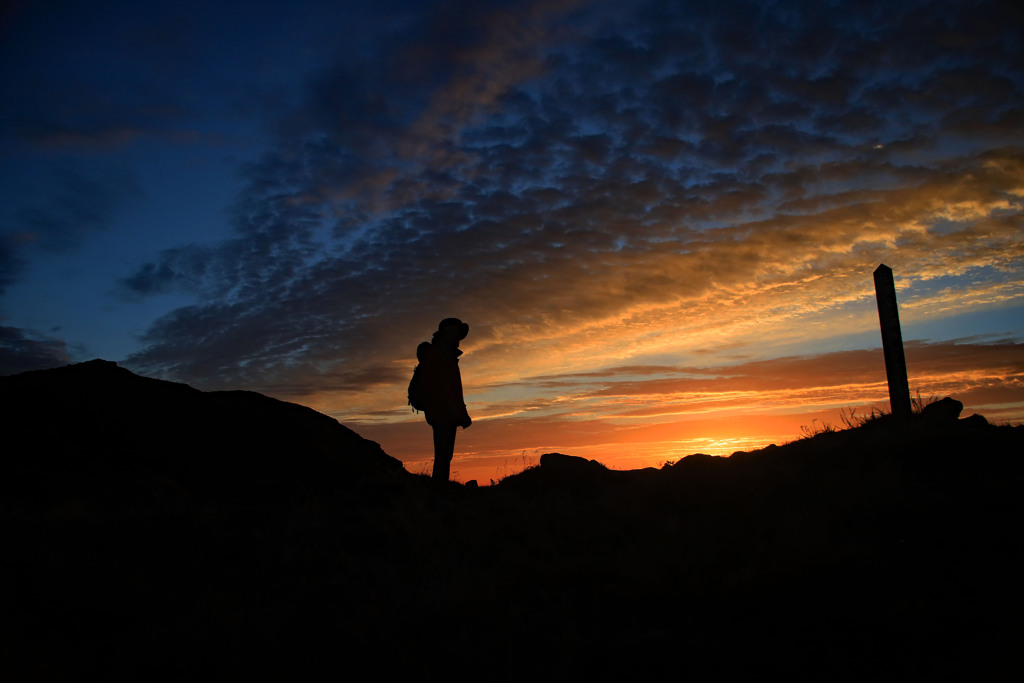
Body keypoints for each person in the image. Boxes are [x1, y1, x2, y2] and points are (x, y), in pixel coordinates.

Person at [419, 318, 472, 481]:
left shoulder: (442, 354)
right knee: (443, 454)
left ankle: (439, 488)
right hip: (443, 412)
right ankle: (439, 490)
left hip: (441, 411)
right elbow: (447, 388)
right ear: (448, 333)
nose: (458, 339)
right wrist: (460, 413)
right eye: (457, 333)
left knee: (444, 454)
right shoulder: (441, 355)